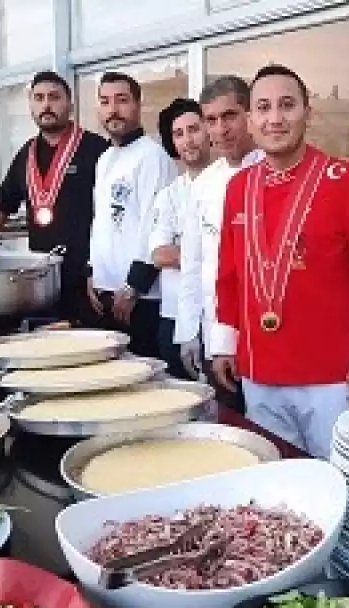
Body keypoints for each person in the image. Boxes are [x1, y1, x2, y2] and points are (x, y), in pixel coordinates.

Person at [210, 65, 349, 457]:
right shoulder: (239, 186)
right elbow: (229, 274)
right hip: (259, 369)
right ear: (251, 120)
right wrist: (225, 341)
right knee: (278, 485)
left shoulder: (347, 181)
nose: (275, 118)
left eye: (287, 105)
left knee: (339, 484)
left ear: (308, 112)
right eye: (264, 108)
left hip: (333, 374)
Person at [0, 71, 108, 322]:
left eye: (54, 97)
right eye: (38, 98)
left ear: (70, 104)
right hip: (41, 283)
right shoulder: (25, 155)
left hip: (87, 280)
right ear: (30, 105)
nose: (46, 105)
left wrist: (100, 271)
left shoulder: (97, 149)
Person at [175, 76, 263, 408]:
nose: (221, 129)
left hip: (263, 337)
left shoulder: (271, 175)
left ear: (249, 116)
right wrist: (188, 332)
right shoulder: (204, 185)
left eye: (230, 116)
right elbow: (193, 264)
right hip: (215, 334)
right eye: (211, 120)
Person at [84, 72, 178, 358]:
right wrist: (92, 272)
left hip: (140, 298)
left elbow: (156, 225)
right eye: (105, 101)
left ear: (138, 105)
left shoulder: (152, 157)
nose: (113, 109)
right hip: (105, 292)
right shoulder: (104, 159)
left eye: (122, 100)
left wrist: (135, 286)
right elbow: (101, 221)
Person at [148, 98, 211, 379]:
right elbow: (159, 254)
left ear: (208, 131)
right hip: (173, 316)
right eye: (178, 134)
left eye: (194, 129)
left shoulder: (231, 183)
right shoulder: (170, 195)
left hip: (217, 319)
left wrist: (184, 252)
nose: (188, 140)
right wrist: (210, 253)